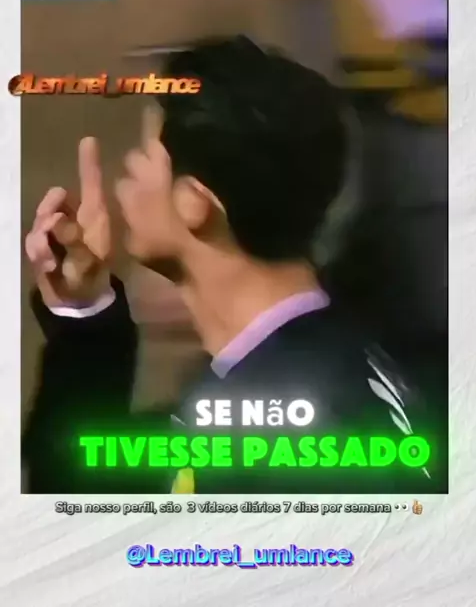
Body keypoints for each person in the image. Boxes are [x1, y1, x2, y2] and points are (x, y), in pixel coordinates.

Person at [22, 36, 444, 493]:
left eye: (144, 158)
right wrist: (84, 313)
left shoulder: (260, 428)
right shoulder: (333, 374)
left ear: (193, 203)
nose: (126, 185)